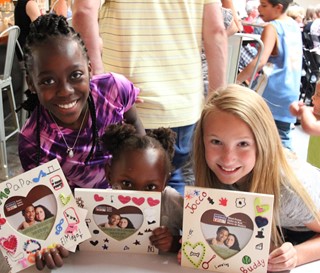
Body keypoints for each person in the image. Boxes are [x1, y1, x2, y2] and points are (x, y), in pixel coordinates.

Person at [72, 0, 227, 195]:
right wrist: (217, 105)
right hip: (183, 108)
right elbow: (216, 33)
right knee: (169, 177)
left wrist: (100, 83)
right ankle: (171, 225)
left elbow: (84, 11)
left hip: (125, 108)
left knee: (119, 188)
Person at [192, 84, 320, 271]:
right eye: (216, 142)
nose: (228, 159)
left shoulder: (289, 189)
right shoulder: (208, 169)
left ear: (263, 144)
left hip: (305, 232)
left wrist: (296, 256)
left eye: (243, 144)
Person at [18, 14, 145, 190]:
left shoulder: (113, 90)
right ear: (31, 83)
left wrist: (140, 168)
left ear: (89, 69)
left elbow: (134, 122)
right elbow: (50, 202)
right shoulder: (33, 142)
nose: (65, 91)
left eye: (76, 75)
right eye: (48, 81)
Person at [102, 123, 183, 253]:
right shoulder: (101, 203)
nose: (138, 195)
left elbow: (197, 242)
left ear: (165, 182)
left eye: (150, 187)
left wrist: (173, 243)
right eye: (127, 184)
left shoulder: (171, 201)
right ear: (109, 175)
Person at [237, 0, 303, 151]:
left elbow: (260, 61)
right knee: (283, 140)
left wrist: (235, 80)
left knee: (259, 138)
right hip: (290, 92)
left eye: (264, 5)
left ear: (278, 7)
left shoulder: (272, 28)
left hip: (271, 93)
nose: (259, 8)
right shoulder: (294, 25)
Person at [290, 80, 320, 168]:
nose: (313, 97)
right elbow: (303, 113)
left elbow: (310, 126)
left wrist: (304, 110)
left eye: (318, 94)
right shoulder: (316, 113)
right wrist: (298, 110)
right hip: (314, 168)